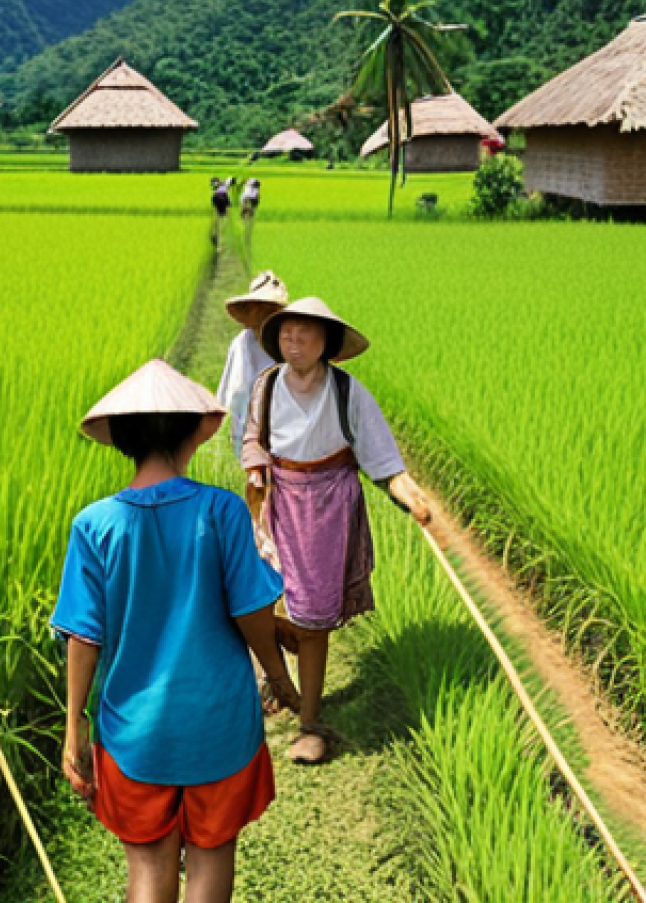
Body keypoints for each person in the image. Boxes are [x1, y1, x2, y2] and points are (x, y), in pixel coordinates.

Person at [52, 359, 299, 903]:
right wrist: (280, 679)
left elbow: (83, 637)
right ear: (193, 430)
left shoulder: (94, 525)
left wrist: (74, 726)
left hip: (132, 732)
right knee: (212, 858)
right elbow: (250, 612)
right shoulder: (221, 510)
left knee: (146, 867)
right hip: (220, 726)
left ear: (122, 439)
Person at [240, 298, 431, 764]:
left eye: (305, 334)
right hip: (277, 501)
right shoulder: (266, 386)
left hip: (328, 507)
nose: (294, 341)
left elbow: (381, 457)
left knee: (312, 619)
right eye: (286, 333)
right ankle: (279, 683)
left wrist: (406, 492)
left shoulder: (347, 392)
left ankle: (310, 721)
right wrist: (255, 466)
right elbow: (253, 437)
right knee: (260, 601)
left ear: (326, 342)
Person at [217, 271, 288, 455]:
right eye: (259, 307)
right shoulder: (241, 345)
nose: (263, 314)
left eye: (269, 308)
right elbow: (232, 394)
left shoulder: (289, 344)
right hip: (245, 435)